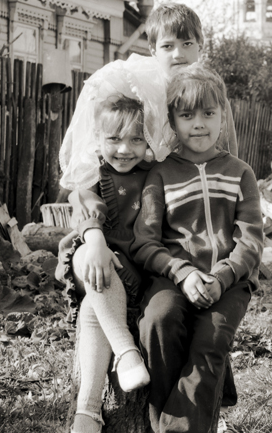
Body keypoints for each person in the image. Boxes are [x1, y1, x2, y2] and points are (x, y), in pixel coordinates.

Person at [126, 64, 264, 433]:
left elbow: (251, 241)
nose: (199, 124)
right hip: (173, 278)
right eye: (187, 115)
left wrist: (221, 277)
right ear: (172, 121)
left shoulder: (239, 172)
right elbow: (145, 241)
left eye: (208, 114)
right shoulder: (161, 174)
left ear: (223, 117)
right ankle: (180, 419)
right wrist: (182, 273)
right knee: (159, 322)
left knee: (210, 341)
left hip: (229, 283)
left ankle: (174, 430)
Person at [55, 58, 172, 433]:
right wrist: (94, 240)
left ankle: (87, 411)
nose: (125, 149)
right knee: (96, 265)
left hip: (131, 264)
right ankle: (125, 351)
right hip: (93, 251)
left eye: (136, 139)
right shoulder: (93, 172)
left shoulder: (153, 175)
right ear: (98, 140)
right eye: (114, 139)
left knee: (96, 298)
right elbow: (87, 206)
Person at [143, 2, 239, 158]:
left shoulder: (213, 96)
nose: (178, 54)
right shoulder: (148, 97)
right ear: (154, 51)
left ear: (200, 47)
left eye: (187, 44)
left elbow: (229, 152)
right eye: (168, 46)